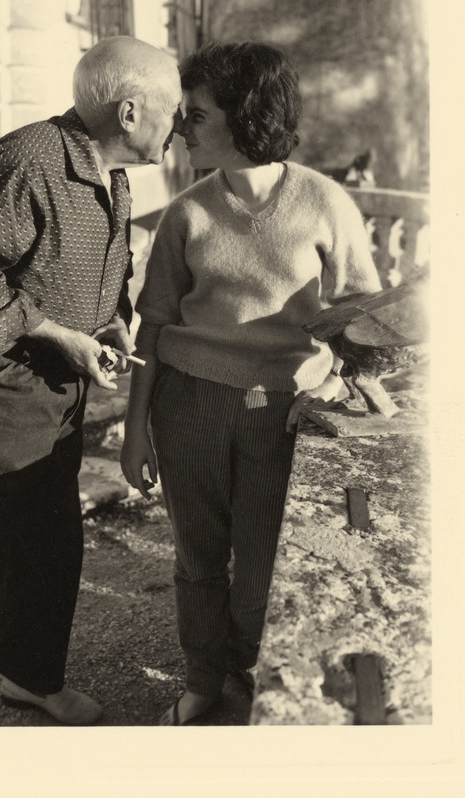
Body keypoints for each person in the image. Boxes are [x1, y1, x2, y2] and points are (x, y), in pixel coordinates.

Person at [120, 41, 382, 725]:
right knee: (198, 558)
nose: (180, 128)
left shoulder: (324, 203)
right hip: (189, 406)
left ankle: (251, 669)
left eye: (197, 114)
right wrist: (134, 430)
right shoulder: (186, 213)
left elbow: (365, 317)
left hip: (283, 414)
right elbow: (153, 328)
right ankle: (204, 679)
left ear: (245, 116)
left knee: (265, 567)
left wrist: (335, 381)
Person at [0, 36, 182, 725]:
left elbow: (99, 273)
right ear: (130, 112)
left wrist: (109, 325)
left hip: (59, 400)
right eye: (171, 109)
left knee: (50, 550)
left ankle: (30, 678)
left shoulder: (114, 174)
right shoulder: (25, 161)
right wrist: (56, 335)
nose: (177, 124)